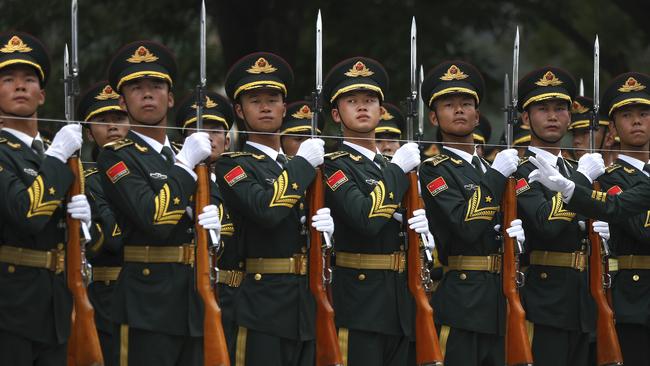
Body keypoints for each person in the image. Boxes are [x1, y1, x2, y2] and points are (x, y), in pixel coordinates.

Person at [98, 40, 220, 365]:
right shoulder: (116, 156)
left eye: (156, 85)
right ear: (123, 102)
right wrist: (185, 166)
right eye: (136, 88)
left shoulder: (192, 156)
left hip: (194, 298)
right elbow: (155, 219)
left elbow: (218, 220)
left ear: (171, 97)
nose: (148, 93)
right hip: (146, 302)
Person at [215, 52, 333, 366]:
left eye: (273, 98)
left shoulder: (300, 167)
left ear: (284, 106)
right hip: (261, 307)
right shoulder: (233, 164)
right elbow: (266, 209)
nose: (265, 106)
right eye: (255, 100)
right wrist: (302, 165)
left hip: (304, 306)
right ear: (239, 110)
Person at [530, 72, 650, 364]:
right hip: (637, 301)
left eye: (644, 113)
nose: (637, 121)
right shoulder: (612, 177)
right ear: (612, 130)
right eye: (627, 115)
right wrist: (574, 187)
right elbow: (628, 217)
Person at [321, 56, 429, 365]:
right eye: (351, 100)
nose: (362, 106)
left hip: (401, 304)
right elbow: (366, 218)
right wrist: (398, 171)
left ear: (381, 111)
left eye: (370, 100)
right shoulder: (333, 165)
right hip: (360, 305)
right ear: (336, 114)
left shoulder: (391, 166)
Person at [418, 60, 523, 365]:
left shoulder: (493, 169)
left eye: (466, 104)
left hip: (501, 297)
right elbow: (465, 225)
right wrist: (496, 177)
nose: (459, 110)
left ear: (478, 116)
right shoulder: (434, 171)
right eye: (449, 105)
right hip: (464, 301)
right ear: (434, 118)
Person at [511, 66, 611, 366]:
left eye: (560, 109)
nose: (553, 116)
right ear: (526, 118)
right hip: (546, 298)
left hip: (583, 297)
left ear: (570, 117)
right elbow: (546, 223)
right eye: (542, 109)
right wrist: (581, 179)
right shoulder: (520, 170)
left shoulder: (572, 168)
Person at [0, 31, 86, 365]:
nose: (20, 86)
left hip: (56, 305)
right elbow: (28, 213)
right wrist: (57, 157)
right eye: (8, 79)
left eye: (29, 79)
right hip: (10, 308)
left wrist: (85, 223)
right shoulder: (56, 155)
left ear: (42, 95)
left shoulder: (58, 154)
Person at [175, 89, 241, 358]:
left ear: (227, 141)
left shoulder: (236, 185)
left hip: (236, 300)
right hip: (190, 298)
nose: (208, 137)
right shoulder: (177, 184)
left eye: (215, 130)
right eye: (198, 130)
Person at [77, 80, 129, 364]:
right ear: (88, 134)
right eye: (102, 120)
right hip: (108, 294)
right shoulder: (87, 182)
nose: (112, 126)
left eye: (119, 118)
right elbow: (112, 238)